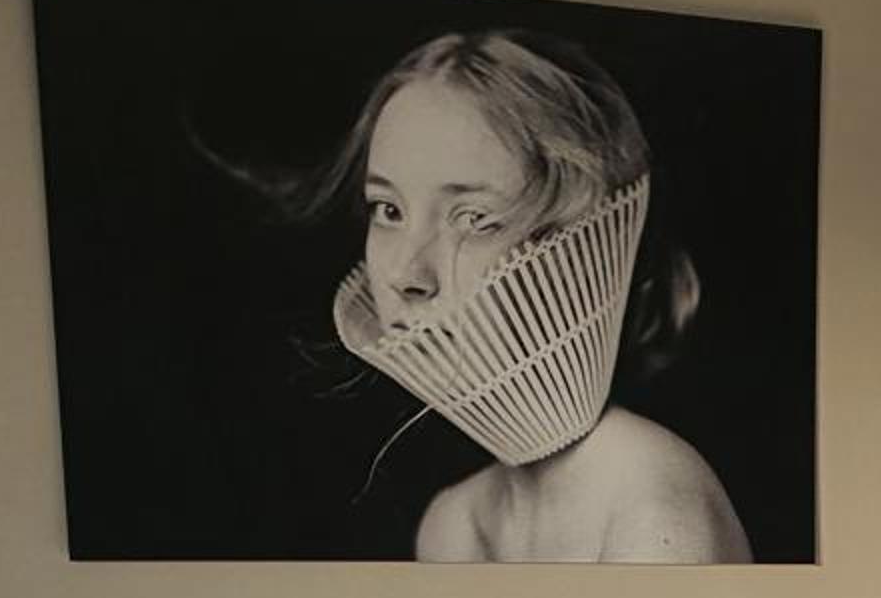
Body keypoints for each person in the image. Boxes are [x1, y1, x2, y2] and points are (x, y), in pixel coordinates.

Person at [317, 32, 749, 563]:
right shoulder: (454, 522)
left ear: (581, 244)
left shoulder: (653, 505)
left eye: (473, 218)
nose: (408, 275)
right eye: (388, 210)